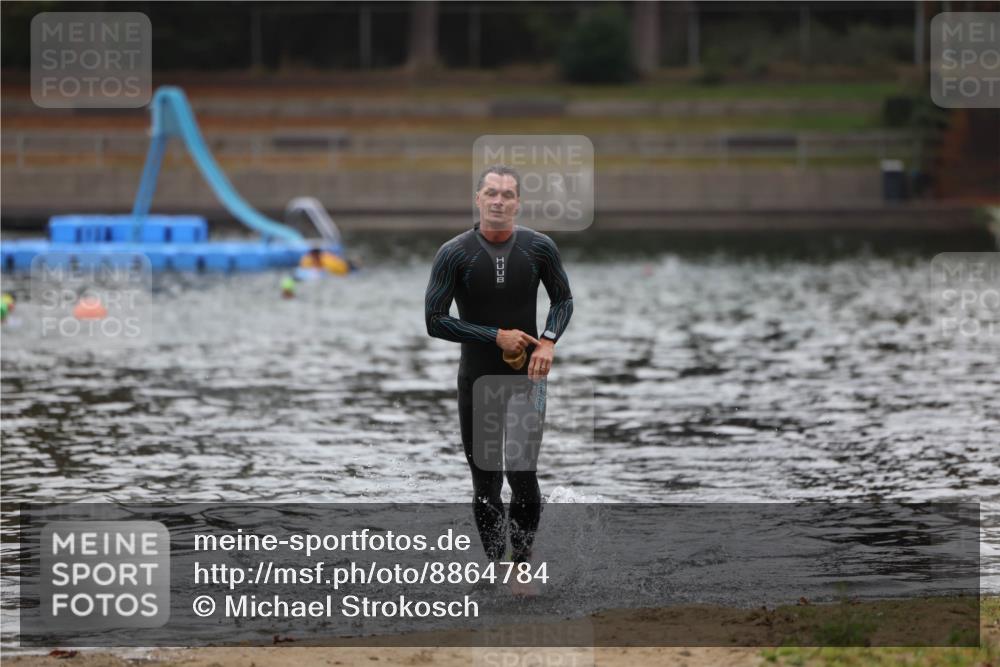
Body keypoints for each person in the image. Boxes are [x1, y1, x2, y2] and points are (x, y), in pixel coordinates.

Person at [425, 165, 573, 594]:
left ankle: (521, 568)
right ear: (478, 199)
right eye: (491, 193)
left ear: (518, 203)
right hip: (477, 380)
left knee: (522, 474)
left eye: (508, 195)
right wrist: (495, 336)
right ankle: (496, 568)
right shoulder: (454, 253)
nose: (499, 201)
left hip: (527, 379)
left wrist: (547, 341)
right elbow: (434, 321)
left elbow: (563, 299)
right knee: (486, 480)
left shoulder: (539, 248)